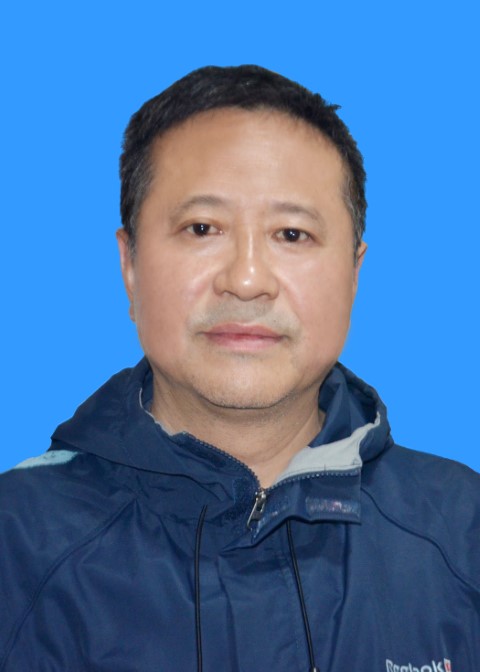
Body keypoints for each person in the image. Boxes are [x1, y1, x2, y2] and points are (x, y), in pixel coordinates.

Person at [0, 65, 478, 672]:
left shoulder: (463, 531)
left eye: (292, 234)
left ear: (354, 272)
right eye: (202, 228)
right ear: (130, 265)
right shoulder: (15, 543)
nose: (247, 280)